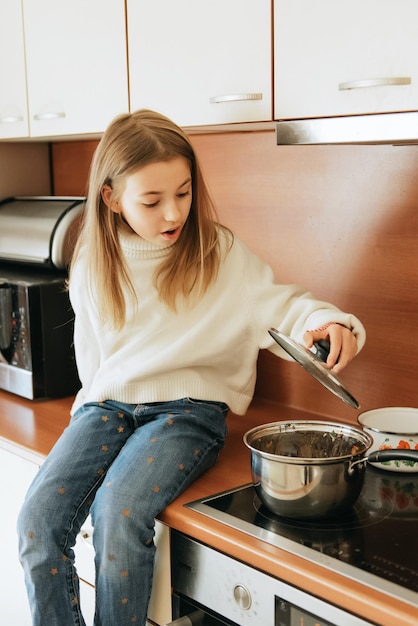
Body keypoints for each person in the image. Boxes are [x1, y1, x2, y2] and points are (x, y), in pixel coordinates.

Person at [18, 109, 366, 626]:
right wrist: (87, 424)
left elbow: (282, 306)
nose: (172, 213)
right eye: (152, 201)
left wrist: (327, 323)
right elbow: (92, 361)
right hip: (105, 406)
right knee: (36, 524)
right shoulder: (95, 259)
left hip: (187, 413)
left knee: (119, 511)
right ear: (111, 198)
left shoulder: (217, 252)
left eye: (183, 193)